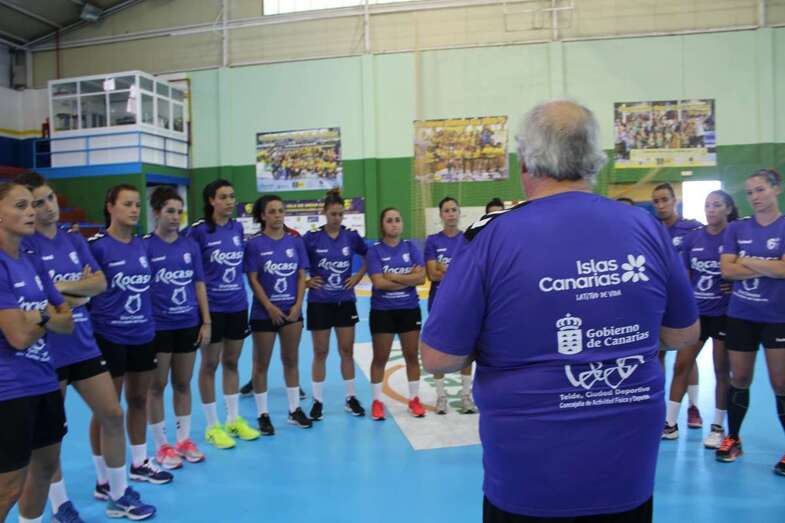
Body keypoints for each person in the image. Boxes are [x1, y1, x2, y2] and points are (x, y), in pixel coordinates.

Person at [421, 100, 699, 522]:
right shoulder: (645, 228)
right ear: (594, 161)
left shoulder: (490, 239)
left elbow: (439, 358)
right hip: (625, 470)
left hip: (528, 478)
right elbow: (682, 335)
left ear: (525, 162)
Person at [16, 173, 154, 521]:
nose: (47, 207)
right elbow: (36, 299)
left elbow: (101, 283)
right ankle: (60, 503)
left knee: (112, 414)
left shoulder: (73, 240)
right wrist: (73, 290)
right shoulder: (25, 247)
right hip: (47, 353)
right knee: (51, 439)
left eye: (49, 199)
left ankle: (118, 493)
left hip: (84, 345)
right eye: (37, 203)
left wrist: (63, 290)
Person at [88, 185, 173, 486]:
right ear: (110, 206)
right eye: (127, 204)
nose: (135, 210)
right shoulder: (97, 247)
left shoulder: (142, 245)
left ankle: (140, 461)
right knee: (107, 409)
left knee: (138, 400)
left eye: (137, 204)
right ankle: (103, 479)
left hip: (143, 334)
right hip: (109, 336)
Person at [0, 182, 74, 523]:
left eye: (32, 204)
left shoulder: (30, 258)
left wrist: (40, 316)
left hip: (45, 379)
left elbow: (67, 321)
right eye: (20, 205)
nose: (31, 211)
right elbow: (16, 337)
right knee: (10, 484)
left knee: (44, 468)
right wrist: (48, 317)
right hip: (10, 387)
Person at [717, 169, 785, 475]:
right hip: (742, 314)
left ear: (776, 190)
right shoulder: (736, 229)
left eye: (760, 190)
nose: (755, 197)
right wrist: (768, 266)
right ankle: (733, 439)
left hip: (778, 317)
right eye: (749, 192)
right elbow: (727, 272)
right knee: (739, 378)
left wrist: (745, 261)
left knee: (781, 382)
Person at [662, 191, 737, 448]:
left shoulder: (734, 236)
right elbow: (684, 276)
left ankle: (717, 427)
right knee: (681, 365)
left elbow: (741, 269)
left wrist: (735, 284)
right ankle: (670, 424)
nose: (711, 209)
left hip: (725, 314)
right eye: (707, 205)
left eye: (717, 205)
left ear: (728, 209)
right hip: (697, 313)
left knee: (720, 370)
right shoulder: (694, 237)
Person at [189, 179, 260, 448]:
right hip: (212, 309)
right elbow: (194, 274)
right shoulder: (198, 232)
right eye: (224, 197)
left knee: (232, 362)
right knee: (209, 365)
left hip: (237, 305)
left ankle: (233, 419)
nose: (230, 201)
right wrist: (202, 315)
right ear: (211, 201)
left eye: (232, 196)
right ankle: (211, 425)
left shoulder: (237, 228)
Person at [144, 186, 211, 469]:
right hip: (159, 327)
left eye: (178, 212)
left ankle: (183, 439)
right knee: (156, 386)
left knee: (182, 383)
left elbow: (198, 284)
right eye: (169, 211)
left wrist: (206, 320)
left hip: (187, 324)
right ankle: (162, 445)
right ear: (157, 213)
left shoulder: (190, 246)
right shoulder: (145, 246)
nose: (175, 217)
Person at [244, 195, 311, 433]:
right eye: (272, 211)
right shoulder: (254, 244)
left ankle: (294, 410)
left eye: (281, 210)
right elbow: (252, 279)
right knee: (261, 364)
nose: (278, 215)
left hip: (292, 312)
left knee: (291, 360)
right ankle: (263, 414)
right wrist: (269, 307)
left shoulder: (295, 243)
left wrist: (297, 305)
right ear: (263, 215)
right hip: (264, 314)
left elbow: (302, 276)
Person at [303, 189, 367, 419]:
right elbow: (296, 263)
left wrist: (358, 276)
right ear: (324, 213)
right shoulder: (311, 238)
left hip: (344, 302)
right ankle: (318, 400)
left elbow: (370, 255)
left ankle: (350, 398)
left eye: (340, 214)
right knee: (320, 352)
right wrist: (307, 281)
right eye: (333, 214)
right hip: (319, 302)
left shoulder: (350, 236)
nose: (337, 218)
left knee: (347, 351)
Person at [366, 208, 426, 421]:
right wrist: (407, 277)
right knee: (380, 357)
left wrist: (394, 276)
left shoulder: (411, 247)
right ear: (382, 225)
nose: (394, 224)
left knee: (412, 356)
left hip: (409, 309)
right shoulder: (374, 251)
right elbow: (379, 283)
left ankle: (414, 399)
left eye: (397, 220)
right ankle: (377, 401)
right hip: (383, 311)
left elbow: (421, 279)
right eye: (389, 220)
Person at [652, 182, 704, 428]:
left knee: (686, 358)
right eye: (657, 201)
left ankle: (693, 407)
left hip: (687, 304)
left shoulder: (692, 229)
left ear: (675, 200)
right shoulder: (652, 230)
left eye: (665, 199)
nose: (661, 205)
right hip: (659, 304)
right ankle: (660, 405)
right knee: (657, 355)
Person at [424, 196, 475, 415]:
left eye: (454, 209)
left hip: (464, 303)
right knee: (439, 350)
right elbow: (433, 274)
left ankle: (465, 396)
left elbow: (472, 273)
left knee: (466, 351)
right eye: (447, 210)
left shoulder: (469, 239)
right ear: (441, 215)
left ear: (459, 212)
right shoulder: (433, 241)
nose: (451, 213)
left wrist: (446, 270)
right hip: (439, 303)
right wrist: (457, 271)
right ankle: (441, 396)